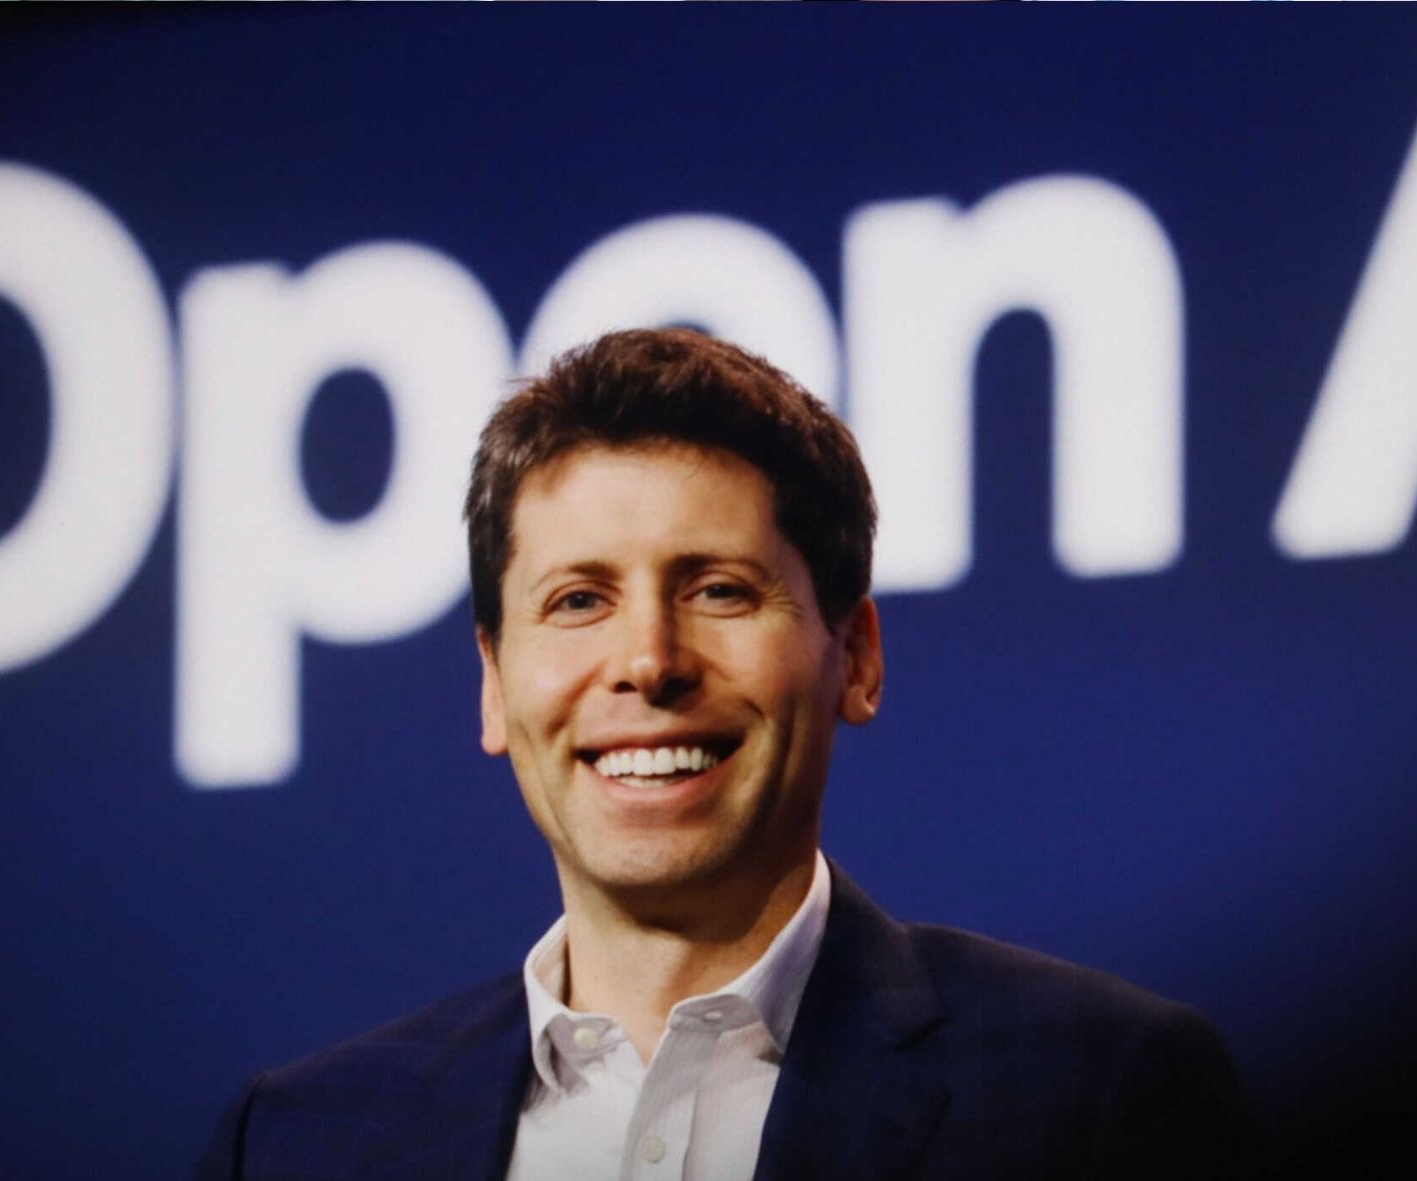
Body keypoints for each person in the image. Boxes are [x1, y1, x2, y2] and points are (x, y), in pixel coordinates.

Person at [196, 328, 1255, 1180]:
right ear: (493, 681)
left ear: (856, 657)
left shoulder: (1094, 1093)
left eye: (717, 590)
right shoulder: (291, 1143)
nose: (648, 661)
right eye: (578, 600)